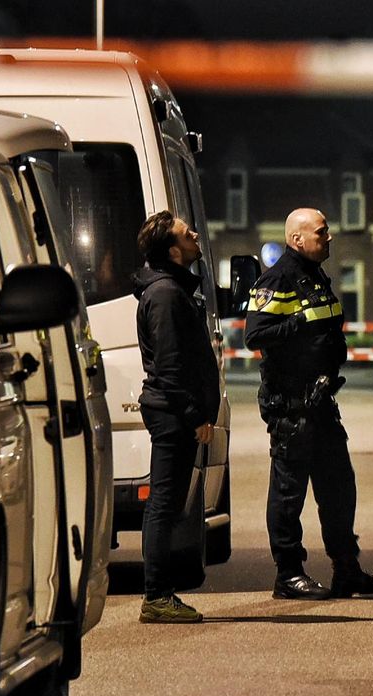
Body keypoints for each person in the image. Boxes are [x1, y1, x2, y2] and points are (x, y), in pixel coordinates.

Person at [244, 208, 373, 600]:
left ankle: (347, 570)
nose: (329, 238)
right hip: (291, 404)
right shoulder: (277, 279)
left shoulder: (315, 276)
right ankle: (288, 575)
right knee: (289, 492)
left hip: (321, 401)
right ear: (297, 239)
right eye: (322, 232)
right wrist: (301, 323)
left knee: (339, 488)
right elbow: (255, 334)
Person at [133, 210, 219, 624]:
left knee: (166, 504)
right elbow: (170, 367)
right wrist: (193, 414)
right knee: (164, 505)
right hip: (172, 415)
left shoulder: (171, 289)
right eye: (187, 234)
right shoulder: (166, 295)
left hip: (174, 412)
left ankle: (159, 593)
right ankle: (157, 595)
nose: (196, 235)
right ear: (172, 250)